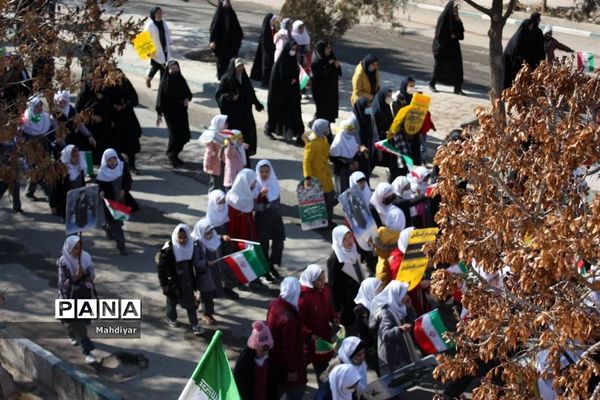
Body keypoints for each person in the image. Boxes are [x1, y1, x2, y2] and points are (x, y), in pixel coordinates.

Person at [157, 224, 208, 336]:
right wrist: (164, 284)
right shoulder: (168, 249)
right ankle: (171, 318)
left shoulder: (190, 247)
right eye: (179, 237)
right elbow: (161, 269)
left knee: (190, 304)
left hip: (187, 282)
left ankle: (195, 325)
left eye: (184, 237)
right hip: (172, 282)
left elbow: (192, 266)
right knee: (172, 302)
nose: (182, 240)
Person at [57, 236, 97, 364]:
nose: (78, 251)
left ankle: (73, 334)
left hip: (84, 294)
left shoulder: (86, 257)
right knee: (76, 324)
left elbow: (92, 275)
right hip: (69, 297)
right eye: (75, 248)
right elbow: (62, 283)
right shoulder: (63, 262)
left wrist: (85, 273)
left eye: (80, 247)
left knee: (82, 322)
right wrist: (75, 277)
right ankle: (87, 351)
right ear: (69, 249)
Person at [216, 58, 264, 161]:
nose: (240, 69)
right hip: (234, 114)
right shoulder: (227, 79)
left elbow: (251, 93)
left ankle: (245, 153)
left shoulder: (245, 79)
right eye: (238, 67)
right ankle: (234, 154)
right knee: (236, 134)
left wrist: (257, 104)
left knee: (247, 133)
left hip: (245, 112)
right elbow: (219, 95)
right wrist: (230, 97)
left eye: (242, 66)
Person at [266, 277, 307, 400]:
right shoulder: (289, 318)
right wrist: (291, 370)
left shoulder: (275, 305)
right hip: (286, 367)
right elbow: (287, 348)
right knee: (297, 391)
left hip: (274, 360)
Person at [369, 280, 418, 375]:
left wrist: (410, 307)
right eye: (404, 294)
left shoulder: (399, 308)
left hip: (401, 349)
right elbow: (385, 335)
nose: (407, 296)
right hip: (393, 355)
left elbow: (412, 321)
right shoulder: (386, 313)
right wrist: (400, 329)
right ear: (396, 294)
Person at [298, 264, 336, 387]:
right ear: (311, 281)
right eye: (319, 280)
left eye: (324, 279)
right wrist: (309, 335)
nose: (323, 282)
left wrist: (334, 318)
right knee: (299, 369)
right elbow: (299, 322)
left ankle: (324, 392)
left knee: (323, 372)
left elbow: (329, 306)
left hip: (322, 340)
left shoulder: (326, 289)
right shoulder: (303, 298)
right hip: (308, 343)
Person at [96, 148, 139, 255]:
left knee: (118, 222)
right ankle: (121, 247)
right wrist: (100, 192)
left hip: (121, 200)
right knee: (117, 225)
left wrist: (124, 190)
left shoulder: (122, 167)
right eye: (109, 160)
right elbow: (99, 186)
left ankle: (107, 227)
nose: (112, 162)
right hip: (110, 203)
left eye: (114, 159)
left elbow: (128, 180)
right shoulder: (102, 173)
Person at [265, 40, 304, 142]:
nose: (293, 51)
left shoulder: (293, 61)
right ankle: (269, 129)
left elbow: (295, 75)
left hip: (291, 93)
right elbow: (278, 80)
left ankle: (299, 135)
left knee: (295, 113)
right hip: (279, 94)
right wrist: (288, 82)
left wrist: (296, 86)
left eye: (295, 49)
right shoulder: (280, 63)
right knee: (276, 114)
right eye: (292, 49)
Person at [156, 60, 192, 167]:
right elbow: (160, 98)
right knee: (174, 135)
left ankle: (176, 154)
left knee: (182, 134)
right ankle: (171, 155)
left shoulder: (181, 79)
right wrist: (159, 113)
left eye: (176, 68)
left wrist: (187, 99)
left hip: (181, 111)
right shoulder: (165, 82)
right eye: (172, 68)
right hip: (170, 113)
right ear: (168, 69)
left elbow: (188, 92)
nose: (175, 70)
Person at [105, 70, 142, 173]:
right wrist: (113, 106)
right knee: (115, 143)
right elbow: (104, 100)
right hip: (113, 118)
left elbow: (134, 99)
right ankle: (117, 166)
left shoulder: (126, 84)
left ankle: (131, 165)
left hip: (127, 117)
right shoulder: (107, 86)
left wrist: (125, 105)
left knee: (131, 141)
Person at [254, 160, 285, 282]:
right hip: (262, 219)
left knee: (279, 243)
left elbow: (276, 199)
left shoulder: (274, 181)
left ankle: (273, 265)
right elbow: (254, 204)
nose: (264, 174)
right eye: (261, 171)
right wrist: (261, 196)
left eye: (267, 171)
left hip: (275, 218)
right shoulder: (256, 184)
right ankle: (264, 269)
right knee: (264, 245)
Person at [327, 225, 364, 329]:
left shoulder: (354, 250)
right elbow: (333, 286)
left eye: (350, 237)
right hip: (346, 302)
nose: (349, 241)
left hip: (358, 295)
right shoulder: (335, 259)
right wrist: (337, 308)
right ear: (338, 240)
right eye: (344, 239)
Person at [206, 189, 240, 300]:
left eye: (223, 201)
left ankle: (228, 287)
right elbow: (208, 235)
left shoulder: (224, 212)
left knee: (228, 265)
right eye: (219, 202)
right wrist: (221, 236)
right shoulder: (209, 220)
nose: (222, 204)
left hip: (225, 245)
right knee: (220, 268)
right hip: (216, 247)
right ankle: (222, 289)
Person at [21, 96, 57, 201]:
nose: (40, 107)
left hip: (44, 144)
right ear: (32, 107)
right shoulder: (26, 118)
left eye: (41, 105)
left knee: (45, 167)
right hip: (31, 145)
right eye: (37, 106)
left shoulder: (46, 117)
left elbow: (54, 127)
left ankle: (33, 192)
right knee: (34, 169)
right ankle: (47, 193)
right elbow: (20, 132)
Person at [233, 321, 278, 400]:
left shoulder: (270, 360)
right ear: (254, 347)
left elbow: (272, 381)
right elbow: (239, 379)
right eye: (261, 350)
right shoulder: (245, 361)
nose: (264, 353)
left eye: (266, 350)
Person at [303, 118, 335, 226]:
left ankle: (328, 220)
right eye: (326, 127)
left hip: (325, 175)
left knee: (329, 198)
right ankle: (320, 222)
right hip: (318, 177)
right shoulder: (312, 144)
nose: (328, 129)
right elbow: (306, 162)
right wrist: (308, 177)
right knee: (321, 201)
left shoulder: (323, 139)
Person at [428, 0, 465, 95]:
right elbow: (439, 35)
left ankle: (457, 88)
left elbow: (461, 36)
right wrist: (451, 35)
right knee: (439, 67)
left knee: (457, 68)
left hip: (454, 48)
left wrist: (458, 21)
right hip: (442, 47)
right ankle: (432, 83)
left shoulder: (456, 20)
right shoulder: (443, 18)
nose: (455, 10)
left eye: (456, 9)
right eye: (453, 8)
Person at [503, 12, 545, 89]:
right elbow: (519, 47)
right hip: (519, 61)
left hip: (528, 61)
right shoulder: (523, 33)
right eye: (539, 19)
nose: (540, 21)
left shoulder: (534, 32)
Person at [190, 219, 219, 325]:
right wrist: (206, 263)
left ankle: (198, 299)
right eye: (207, 233)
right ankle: (207, 314)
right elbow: (196, 261)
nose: (210, 235)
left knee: (208, 293)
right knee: (207, 295)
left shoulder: (211, 239)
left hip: (211, 272)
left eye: (211, 232)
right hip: (203, 273)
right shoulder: (196, 245)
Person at [353, 277, 382, 375]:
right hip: (373, 349)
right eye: (378, 290)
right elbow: (363, 333)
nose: (380, 292)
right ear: (370, 291)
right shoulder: (361, 311)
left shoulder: (377, 303)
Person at [50, 145, 86, 219]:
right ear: (68, 157)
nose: (76, 158)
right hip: (65, 203)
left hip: (77, 202)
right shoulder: (62, 170)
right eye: (74, 156)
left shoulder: (80, 167)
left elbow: (82, 183)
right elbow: (56, 188)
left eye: (77, 156)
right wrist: (53, 205)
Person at [371, 87, 400, 181]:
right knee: (373, 162)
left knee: (392, 164)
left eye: (391, 96)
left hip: (388, 141)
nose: (390, 98)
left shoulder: (386, 107)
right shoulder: (376, 111)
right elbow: (375, 130)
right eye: (388, 96)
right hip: (380, 141)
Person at [209, 0, 243, 80]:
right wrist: (213, 40)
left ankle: (231, 75)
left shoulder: (232, 14)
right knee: (222, 60)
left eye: (228, 2)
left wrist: (240, 36)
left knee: (231, 59)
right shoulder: (219, 14)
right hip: (221, 42)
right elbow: (213, 28)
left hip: (231, 42)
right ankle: (222, 77)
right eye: (225, 2)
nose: (227, 4)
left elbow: (237, 26)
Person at [311, 40, 341, 123]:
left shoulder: (331, 58)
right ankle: (318, 127)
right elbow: (320, 75)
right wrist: (327, 64)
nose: (329, 50)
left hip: (331, 91)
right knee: (322, 112)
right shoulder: (316, 62)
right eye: (326, 48)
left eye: (330, 48)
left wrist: (337, 66)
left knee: (328, 113)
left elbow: (338, 72)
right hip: (321, 91)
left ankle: (323, 129)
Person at [329, 118, 360, 194]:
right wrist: (347, 165)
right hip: (342, 170)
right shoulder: (337, 143)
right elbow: (334, 158)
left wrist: (356, 162)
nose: (351, 132)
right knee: (342, 191)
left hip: (351, 169)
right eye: (349, 130)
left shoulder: (352, 139)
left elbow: (354, 152)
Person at [144, 7, 171, 88]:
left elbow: (168, 33)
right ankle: (149, 78)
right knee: (157, 66)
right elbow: (145, 37)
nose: (160, 15)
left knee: (163, 66)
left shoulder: (163, 22)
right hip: (155, 49)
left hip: (164, 48)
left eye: (161, 13)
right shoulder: (150, 25)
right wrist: (147, 50)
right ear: (153, 14)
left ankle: (162, 85)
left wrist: (169, 43)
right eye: (158, 13)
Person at [352, 97, 379, 179]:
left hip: (368, 150)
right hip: (357, 154)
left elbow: (375, 132)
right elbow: (352, 137)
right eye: (367, 107)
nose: (369, 109)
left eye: (370, 106)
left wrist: (377, 148)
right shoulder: (353, 120)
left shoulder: (370, 117)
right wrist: (359, 147)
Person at [250, 13, 278, 88]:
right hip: (266, 51)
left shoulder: (273, 28)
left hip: (272, 50)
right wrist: (270, 49)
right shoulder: (265, 29)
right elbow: (264, 42)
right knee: (266, 66)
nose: (275, 21)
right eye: (273, 20)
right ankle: (264, 82)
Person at [202, 114, 227, 193]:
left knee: (222, 181)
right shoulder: (212, 137)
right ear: (220, 124)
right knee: (215, 183)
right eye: (225, 124)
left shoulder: (223, 134)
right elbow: (208, 152)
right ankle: (213, 198)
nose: (227, 125)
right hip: (215, 164)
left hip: (222, 163)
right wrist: (207, 163)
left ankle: (221, 196)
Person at [291, 20, 311, 91]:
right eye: (299, 28)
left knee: (303, 74)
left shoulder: (306, 36)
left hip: (303, 58)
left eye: (302, 28)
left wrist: (306, 57)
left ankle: (302, 89)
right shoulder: (292, 36)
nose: (301, 30)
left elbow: (308, 49)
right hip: (294, 58)